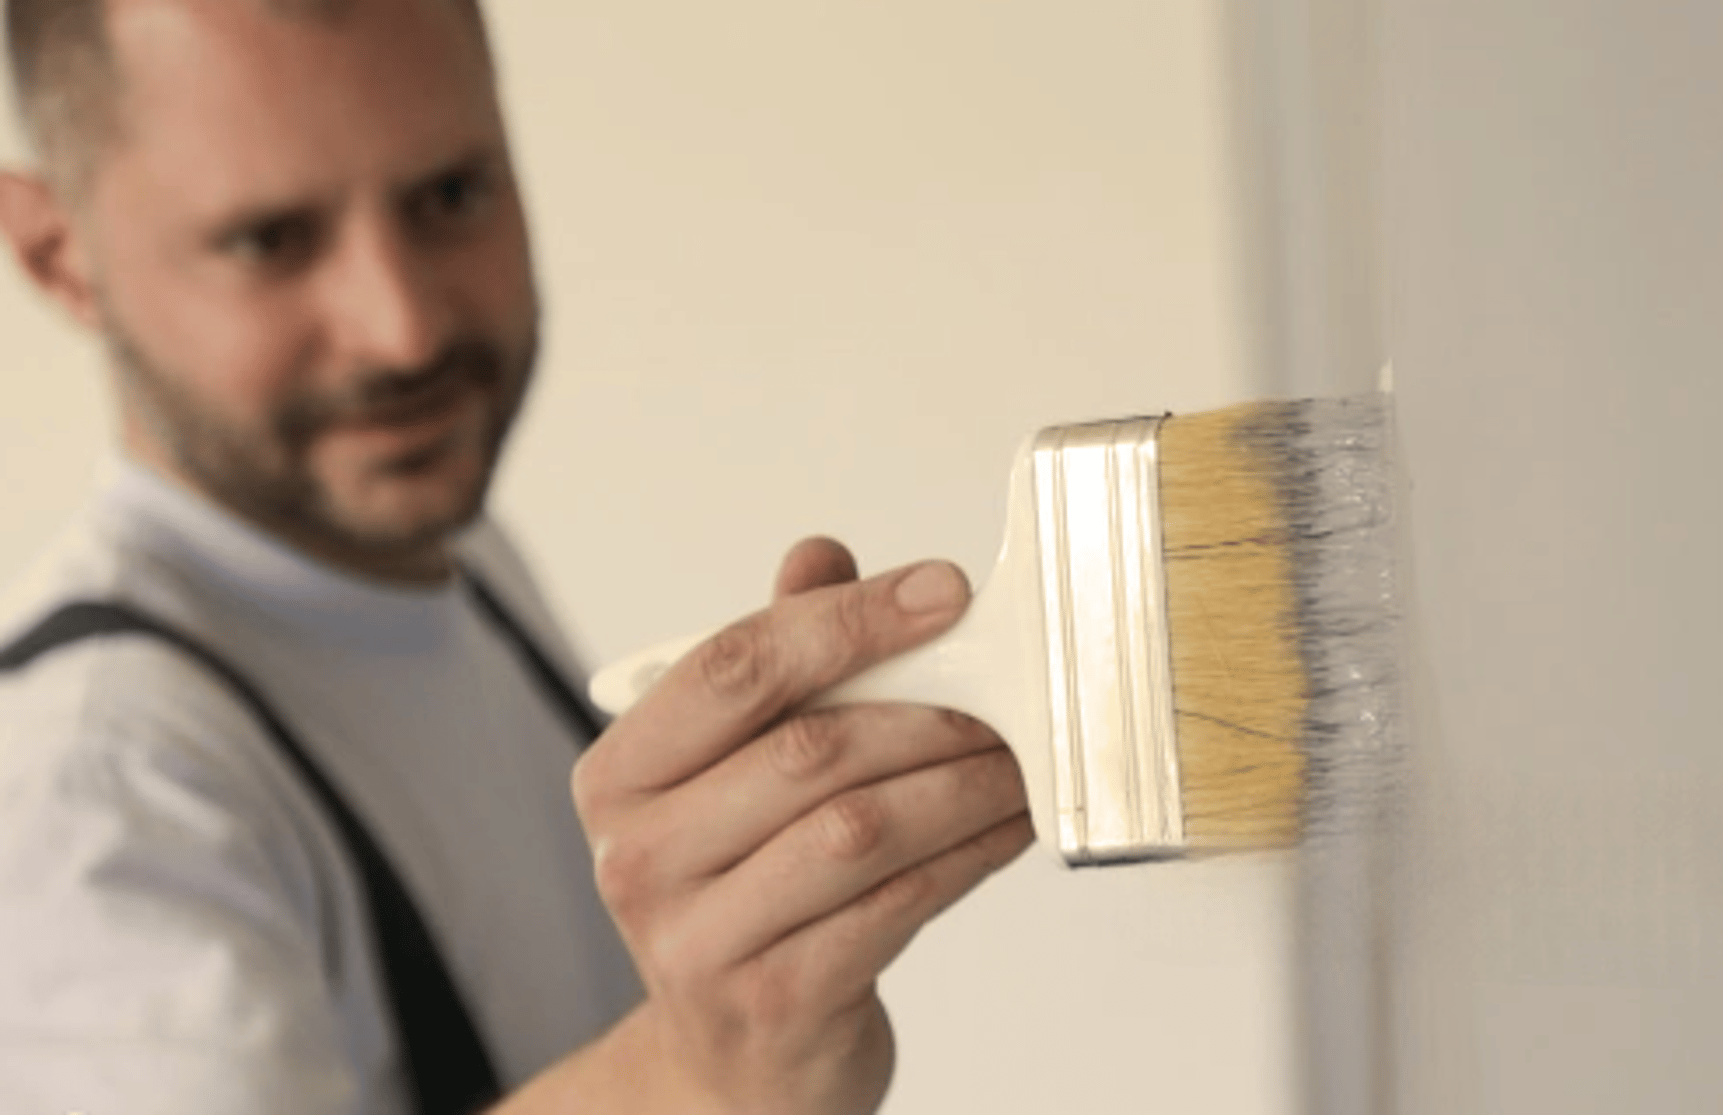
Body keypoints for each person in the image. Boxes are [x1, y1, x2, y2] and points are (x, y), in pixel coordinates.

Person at [0, 0, 1033, 1112]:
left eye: (450, 194)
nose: (403, 327)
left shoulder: (448, 557)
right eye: (271, 240)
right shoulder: (95, 792)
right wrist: (703, 1071)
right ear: (61, 257)